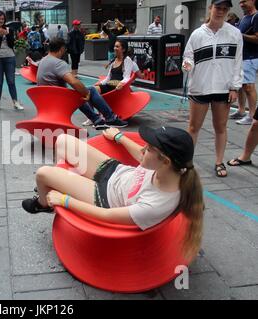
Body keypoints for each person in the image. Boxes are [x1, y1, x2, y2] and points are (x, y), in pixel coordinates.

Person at [22, 126, 204, 260]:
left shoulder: (156, 204)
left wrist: (64, 200)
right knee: (62, 140)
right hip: (114, 171)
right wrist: (119, 137)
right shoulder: (168, 168)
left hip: (103, 197)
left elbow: (106, 215)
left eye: (149, 148)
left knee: (43, 174)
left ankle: (43, 205)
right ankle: (66, 180)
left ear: (165, 161)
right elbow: (141, 157)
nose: (143, 149)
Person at [183, 0, 243, 178]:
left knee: (221, 127)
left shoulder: (234, 34)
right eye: (218, 7)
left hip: (223, 88)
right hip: (200, 87)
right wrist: (187, 64)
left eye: (225, 9)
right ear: (211, 8)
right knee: (193, 127)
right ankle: (187, 163)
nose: (221, 11)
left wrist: (235, 87)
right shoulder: (197, 34)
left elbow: (237, 62)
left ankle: (219, 161)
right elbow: (188, 56)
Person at [37, 37, 128, 128]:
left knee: (78, 93)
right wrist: (86, 92)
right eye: (65, 49)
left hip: (45, 98)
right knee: (90, 90)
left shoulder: (43, 60)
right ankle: (110, 118)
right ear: (61, 49)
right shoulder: (58, 63)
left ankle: (97, 120)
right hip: (58, 99)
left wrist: (83, 91)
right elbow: (73, 81)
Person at [229, 0, 258, 125]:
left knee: (249, 87)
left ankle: (251, 115)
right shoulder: (245, 17)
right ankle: (241, 111)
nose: (241, 4)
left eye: (244, 1)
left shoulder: (256, 17)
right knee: (240, 85)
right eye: (240, 2)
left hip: (251, 57)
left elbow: (257, 38)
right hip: (242, 57)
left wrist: (240, 35)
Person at [0, 11, 23, 111]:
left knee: (11, 81)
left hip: (9, 57)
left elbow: (12, 45)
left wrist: (7, 35)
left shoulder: (9, 30)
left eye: (2, 19)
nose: (1, 21)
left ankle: (15, 102)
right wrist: (0, 36)